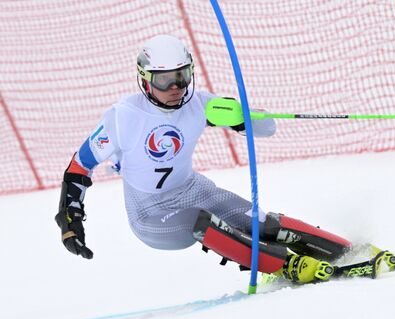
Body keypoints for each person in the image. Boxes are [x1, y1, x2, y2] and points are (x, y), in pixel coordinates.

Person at [54, 34, 356, 284]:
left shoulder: (199, 104)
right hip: (150, 213)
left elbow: (268, 128)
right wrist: (70, 219)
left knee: (261, 222)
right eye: (164, 80)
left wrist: (242, 117)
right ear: (145, 80)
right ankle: (285, 266)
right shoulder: (123, 117)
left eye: (182, 77)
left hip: (195, 190)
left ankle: (346, 251)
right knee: (200, 221)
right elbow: (79, 167)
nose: (175, 88)